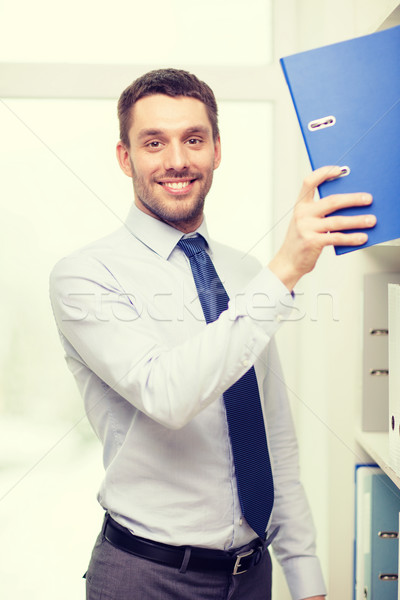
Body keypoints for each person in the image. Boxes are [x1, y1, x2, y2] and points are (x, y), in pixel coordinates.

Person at [49, 68, 375, 600]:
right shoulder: (84, 275)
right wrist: (287, 269)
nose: (176, 160)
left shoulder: (248, 274)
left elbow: (272, 435)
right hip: (145, 577)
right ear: (124, 157)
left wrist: (305, 573)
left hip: (252, 576)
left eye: (193, 139)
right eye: (154, 142)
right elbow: (168, 394)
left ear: (217, 151)